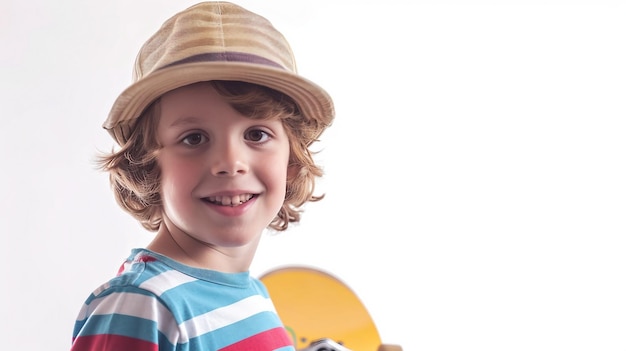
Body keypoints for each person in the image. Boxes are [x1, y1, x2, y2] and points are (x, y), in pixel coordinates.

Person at [70, 2, 334, 350]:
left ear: (292, 163)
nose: (230, 162)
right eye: (193, 138)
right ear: (148, 167)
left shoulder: (250, 295)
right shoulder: (144, 305)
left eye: (256, 134)